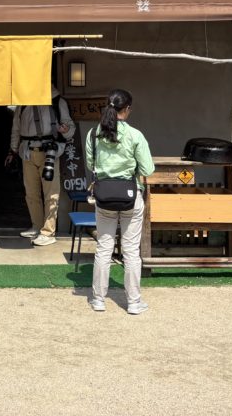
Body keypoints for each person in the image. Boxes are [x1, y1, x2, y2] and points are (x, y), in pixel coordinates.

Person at [84, 88, 155, 314]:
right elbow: (147, 169)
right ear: (127, 109)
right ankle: (133, 302)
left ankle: (98, 299)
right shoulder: (135, 135)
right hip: (130, 197)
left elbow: (89, 164)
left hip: (104, 197)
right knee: (131, 250)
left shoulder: (93, 135)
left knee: (103, 248)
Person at [8, 84, 76, 246]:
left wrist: (65, 130)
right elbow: (16, 129)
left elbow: (70, 128)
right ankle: (37, 225)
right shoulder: (23, 103)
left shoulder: (57, 101)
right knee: (31, 193)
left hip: (50, 152)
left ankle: (48, 231)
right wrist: (13, 150)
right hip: (27, 152)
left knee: (51, 194)